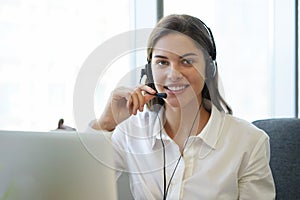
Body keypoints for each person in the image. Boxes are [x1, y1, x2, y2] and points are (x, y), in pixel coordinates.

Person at [90, 14, 275, 199]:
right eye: (162, 62)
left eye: (187, 61)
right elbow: (81, 187)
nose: (173, 74)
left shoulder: (248, 142)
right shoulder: (131, 133)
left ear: (209, 68)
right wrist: (106, 122)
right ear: (149, 70)